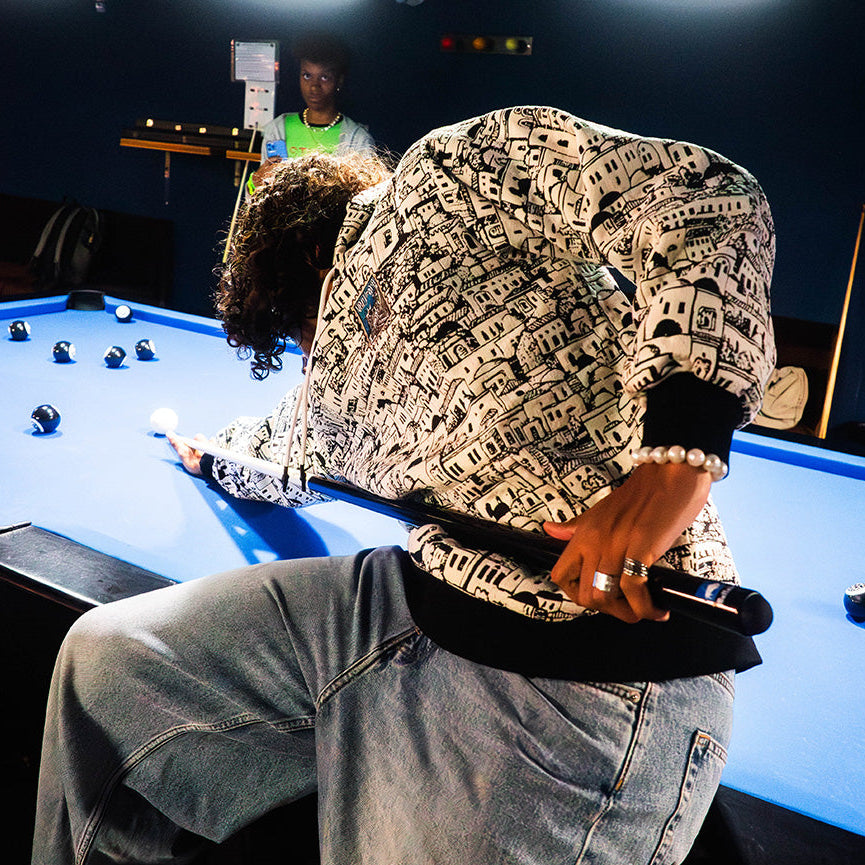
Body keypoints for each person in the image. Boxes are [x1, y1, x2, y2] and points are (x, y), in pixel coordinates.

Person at [32, 106, 775, 865]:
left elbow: (707, 198)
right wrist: (214, 458)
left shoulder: (450, 167)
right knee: (106, 661)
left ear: (304, 266)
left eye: (296, 333)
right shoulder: (343, 376)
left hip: (596, 668)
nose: (309, 355)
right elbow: (292, 446)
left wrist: (677, 460)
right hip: (419, 603)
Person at [258, 34, 374, 164]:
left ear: (339, 81)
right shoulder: (278, 129)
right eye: (307, 76)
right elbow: (264, 176)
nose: (314, 86)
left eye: (324, 77)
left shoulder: (356, 138)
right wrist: (258, 176)